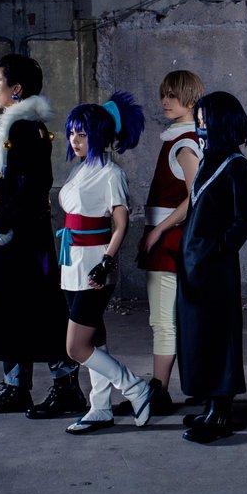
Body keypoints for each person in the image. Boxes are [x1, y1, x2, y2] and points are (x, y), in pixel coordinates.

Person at [0, 54, 87, 419]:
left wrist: (2, 220)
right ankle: (17, 387)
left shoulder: (22, 128)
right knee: (19, 309)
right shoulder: (23, 126)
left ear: (16, 89)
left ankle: (63, 388)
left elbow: (34, 185)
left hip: (21, 239)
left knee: (39, 309)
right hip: (20, 235)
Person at [58, 92, 155, 434]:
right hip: (71, 263)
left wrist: (106, 262)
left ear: (99, 135)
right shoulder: (81, 169)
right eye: (72, 132)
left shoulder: (111, 173)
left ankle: (134, 387)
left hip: (94, 266)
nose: (75, 139)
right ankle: (99, 407)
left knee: (75, 347)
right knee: (94, 338)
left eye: (82, 133)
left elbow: (121, 224)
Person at [177, 92, 247, 444]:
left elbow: (244, 221)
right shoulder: (208, 161)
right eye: (199, 120)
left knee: (220, 336)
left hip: (216, 269)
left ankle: (221, 414)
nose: (200, 126)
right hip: (193, 266)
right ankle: (210, 403)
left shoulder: (235, 165)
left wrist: (215, 250)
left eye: (205, 119)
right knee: (199, 336)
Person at [136, 70, 205, 414]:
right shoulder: (183, 139)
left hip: (170, 239)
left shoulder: (184, 143)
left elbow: (195, 197)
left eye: (173, 95)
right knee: (169, 319)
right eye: (163, 94)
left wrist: (159, 229)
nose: (165, 101)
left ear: (190, 100)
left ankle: (159, 392)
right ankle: (164, 389)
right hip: (170, 237)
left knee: (163, 321)